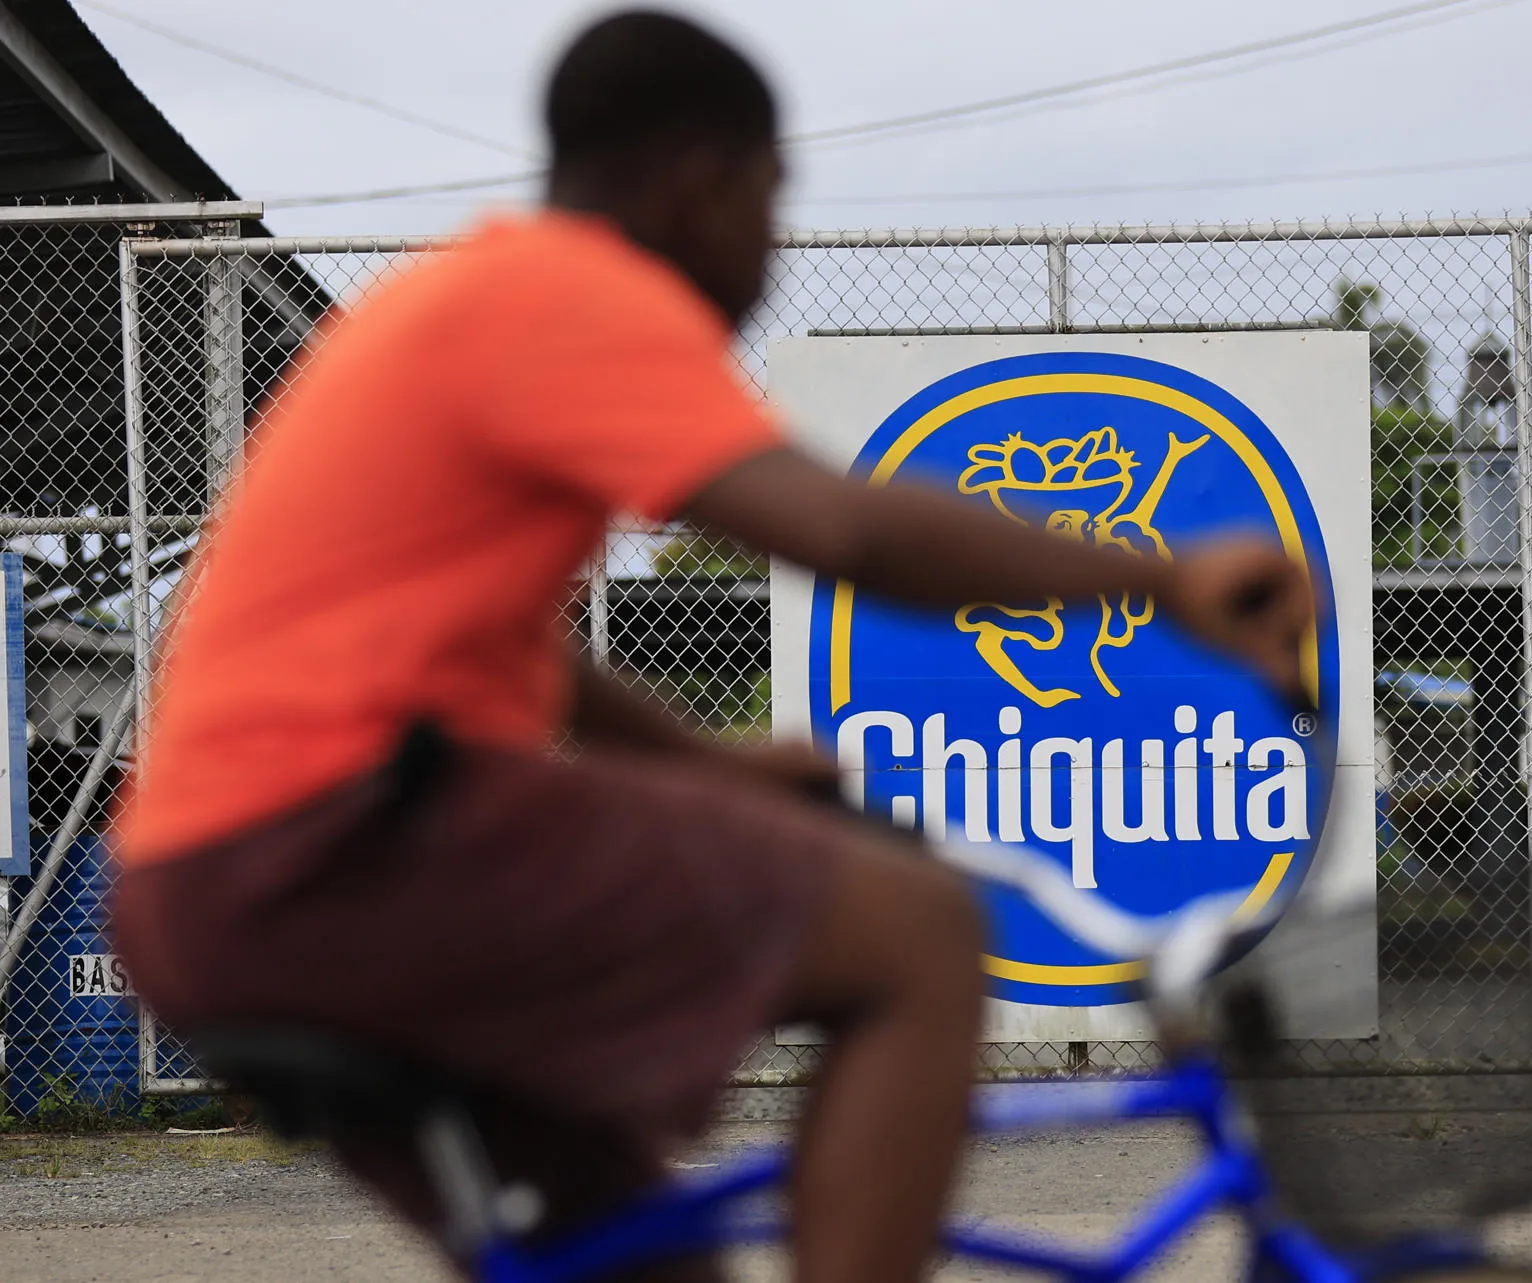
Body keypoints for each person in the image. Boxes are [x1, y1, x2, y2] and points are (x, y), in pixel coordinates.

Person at [111, 10, 1312, 1282]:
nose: (771, 245)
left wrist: (713, 766)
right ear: (699, 181)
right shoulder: (571, 291)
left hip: (209, 887)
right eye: (771, 199)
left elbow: (519, 652)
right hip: (332, 839)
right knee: (914, 935)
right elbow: (843, 528)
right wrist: (1165, 577)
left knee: (640, 1252)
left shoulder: (462, 298)